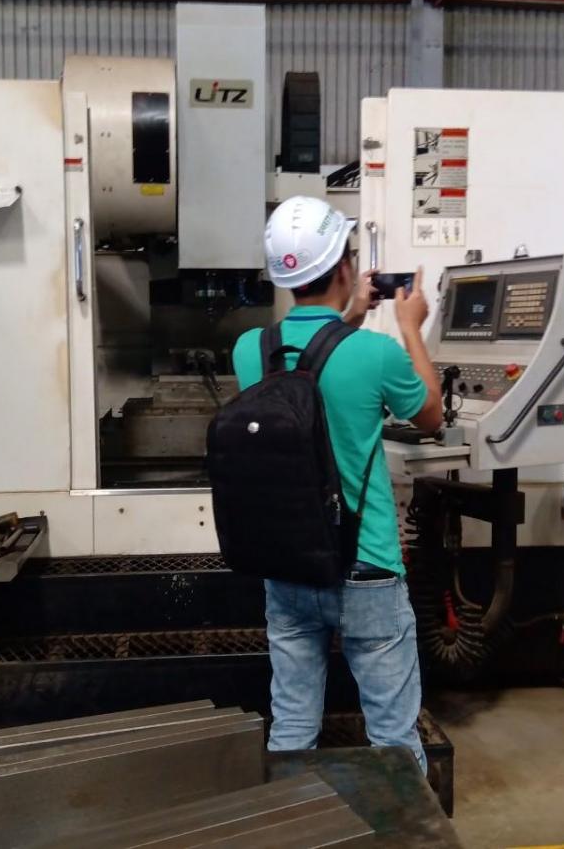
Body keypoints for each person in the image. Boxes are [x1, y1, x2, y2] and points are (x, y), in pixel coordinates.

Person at [231, 195, 443, 771]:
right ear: (346, 268)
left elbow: (304, 375)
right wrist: (410, 327)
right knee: (392, 735)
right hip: (365, 567)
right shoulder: (376, 353)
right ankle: (402, 819)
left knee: (292, 721)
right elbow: (430, 415)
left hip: (288, 565)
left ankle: (288, 813)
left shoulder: (251, 350)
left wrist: (349, 313)